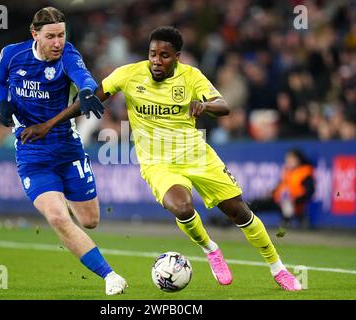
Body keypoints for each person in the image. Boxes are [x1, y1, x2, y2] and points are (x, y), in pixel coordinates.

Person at [21, 26, 302, 291]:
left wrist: (204, 104)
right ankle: (210, 249)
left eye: (164, 56)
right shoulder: (129, 74)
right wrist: (48, 124)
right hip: (158, 164)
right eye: (153, 54)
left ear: (176, 57)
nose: (156, 60)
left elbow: (224, 106)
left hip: (198, 156)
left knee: (239, 212)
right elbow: (90, 99)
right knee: (181, 207)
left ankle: (277, 268)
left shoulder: (191, 76)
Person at [0, 7, 127, 295]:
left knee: (90, 220)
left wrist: (88, 92)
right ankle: (110, 276)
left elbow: (84, 77)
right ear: (34, 35)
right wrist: (2, 103)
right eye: (50, 36)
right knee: (57, 217)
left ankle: (63, 209)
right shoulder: (12, 54)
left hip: (67, 149)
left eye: (62, 35)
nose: (57, 42)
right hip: (32, 152)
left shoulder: (68, 55)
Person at [250, 149, 315, 229]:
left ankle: (291, 221)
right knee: (256, 203)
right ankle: (247, 222)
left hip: (296, 203)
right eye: (288, 159)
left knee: (287, 204)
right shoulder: (287, 171)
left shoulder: (305, 173)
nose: (289, 161)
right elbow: (280, 186)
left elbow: (309, 192)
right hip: (279, 201)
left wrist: (295, 200)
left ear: (298, 159)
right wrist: (272, 192)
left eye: (291, 159)